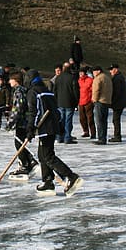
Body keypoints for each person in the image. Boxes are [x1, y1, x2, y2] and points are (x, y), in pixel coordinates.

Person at [25, 69, 83, 197]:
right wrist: (60, 126)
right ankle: (47, 182)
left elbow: (34, 112)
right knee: (42, 155)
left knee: (48, 156)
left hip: (45, 128)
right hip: (51, 127)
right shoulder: (47, 91)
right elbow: (56, 111)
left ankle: (71, 176)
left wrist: (30, 129)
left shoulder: (33, 92)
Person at [7, 71, 38, 178]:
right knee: (20, 142)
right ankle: (28, 162)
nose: (9, 81)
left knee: (18, 143)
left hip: (22, 122)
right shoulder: (24, 90)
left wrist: (10, 122)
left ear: (16, 81)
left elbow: (17, 109)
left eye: (11, 79)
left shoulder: (19, 92)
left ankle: (26, 164)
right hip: (26, 121)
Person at [53, 62, 78, 143]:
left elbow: (55, 91)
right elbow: (75, 91)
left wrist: (55, 100)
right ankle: (67, 137)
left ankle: (59, 137)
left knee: (61, 120)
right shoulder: (72, 78)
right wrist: (76, 101)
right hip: (69, 102)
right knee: (68, 120)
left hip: (60, 102)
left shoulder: (58, 78)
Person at [91, 64, 112, 145]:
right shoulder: (107, 77)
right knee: (104, 121)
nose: (93, 73)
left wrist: (94, 99)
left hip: (100, 101)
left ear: (98, 71)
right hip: (106, 101)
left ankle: (101, 138)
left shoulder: (98, 78)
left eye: (94, 71)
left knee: (99, 121)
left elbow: (96, 90)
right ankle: (104, 137)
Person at [109, 63, 126, 143]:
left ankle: (117, 136)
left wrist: (112, 101)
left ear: (116, 69)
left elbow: (117, 92)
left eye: (111, 70)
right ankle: (117, 135)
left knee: (116, 120)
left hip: (118, 102)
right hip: (120, 101)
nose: (110, 72)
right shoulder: (119, 77)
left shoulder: (117, 78)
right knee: (115, 119)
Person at [77, 67, 95, 139]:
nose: (80, 74)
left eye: (82, 73)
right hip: (81, 101)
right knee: (82, 118)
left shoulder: (90, 80)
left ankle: (93, 132)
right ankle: (85, 131)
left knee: (90, 118)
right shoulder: (79, 81)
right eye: (79, 73)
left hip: (88, 101)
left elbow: (93, 89)